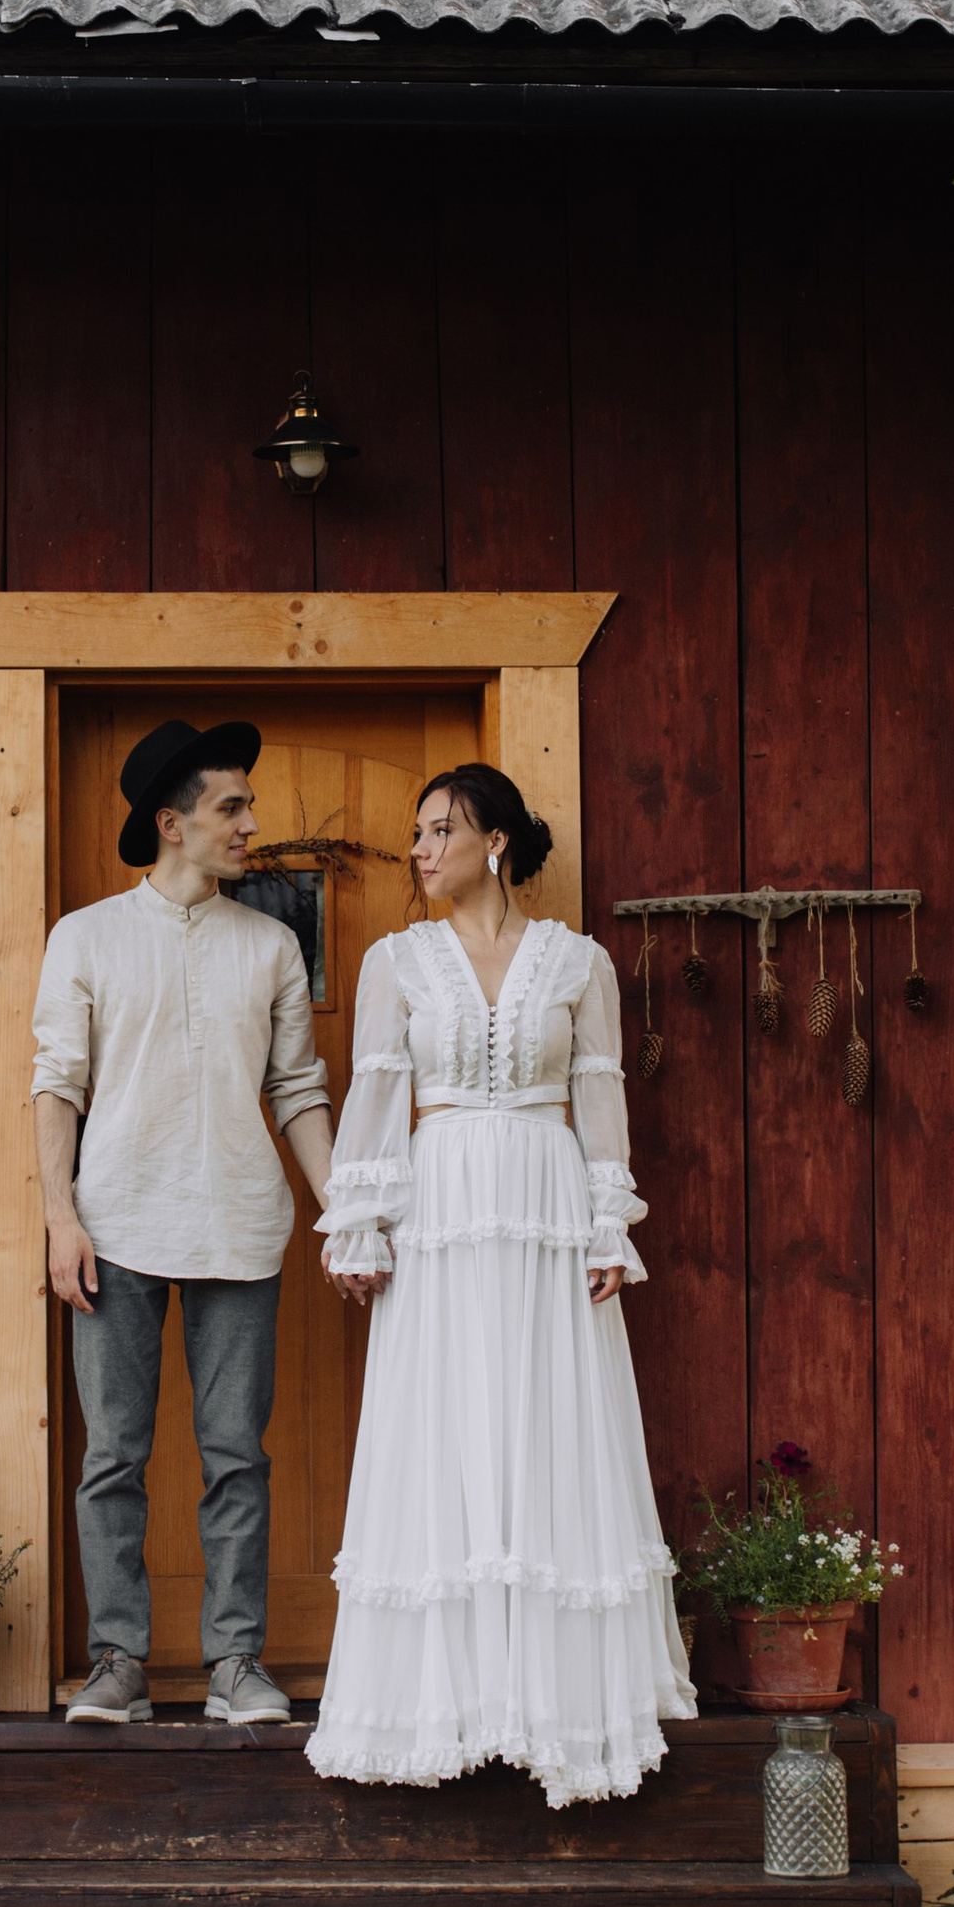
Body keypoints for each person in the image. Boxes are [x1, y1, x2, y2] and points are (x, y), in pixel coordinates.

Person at [307, 763, 695, 1807]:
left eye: (443, 830)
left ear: (497, 844)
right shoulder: (396, 963)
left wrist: (609, 1223)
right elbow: (378, 1098)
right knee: (444, 1429)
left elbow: (598, 1093)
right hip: (439, 1214)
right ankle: (446, 1703)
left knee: (547, 1428)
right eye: (417, 833)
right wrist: (359, 1224)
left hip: (545, 1203)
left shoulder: (578, 964)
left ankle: (554, 1703)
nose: (422, 850)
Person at [32, 716, 334, 1727]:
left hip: (241, 1227)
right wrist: (57, 1217)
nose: (251, 822)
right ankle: (117, 1658)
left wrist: (341, 1208)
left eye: (247, 804)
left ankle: (234, 1662)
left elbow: (296, 1088)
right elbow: (56, 1086)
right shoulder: (84, 938)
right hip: (112, 1227)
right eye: (231, 806)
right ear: (172, 822)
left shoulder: (271, 943)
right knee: (112, 1452)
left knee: (235, 1454)